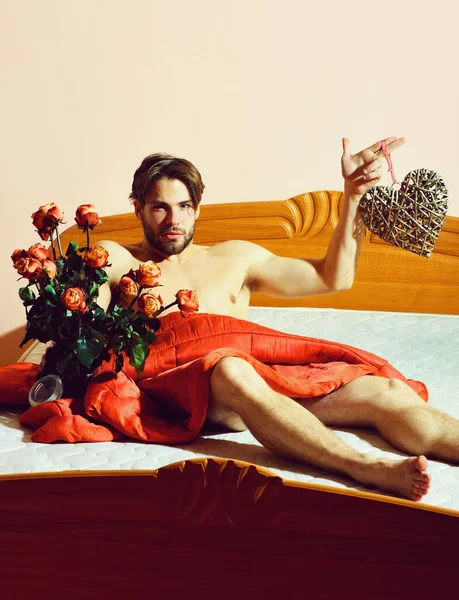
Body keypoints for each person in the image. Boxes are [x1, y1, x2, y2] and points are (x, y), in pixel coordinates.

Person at [96, 138, 457, 502]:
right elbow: (64, 333)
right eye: (160, 207)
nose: (174, 220)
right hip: (186, 389)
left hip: (257, 378)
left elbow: (333, 278)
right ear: (138, 208)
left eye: (184, 206)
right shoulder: (115, 259)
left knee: (386, 392)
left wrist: (352, 195)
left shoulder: (235, 258)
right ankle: (363, 466)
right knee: (229, 368)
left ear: (197, 209)